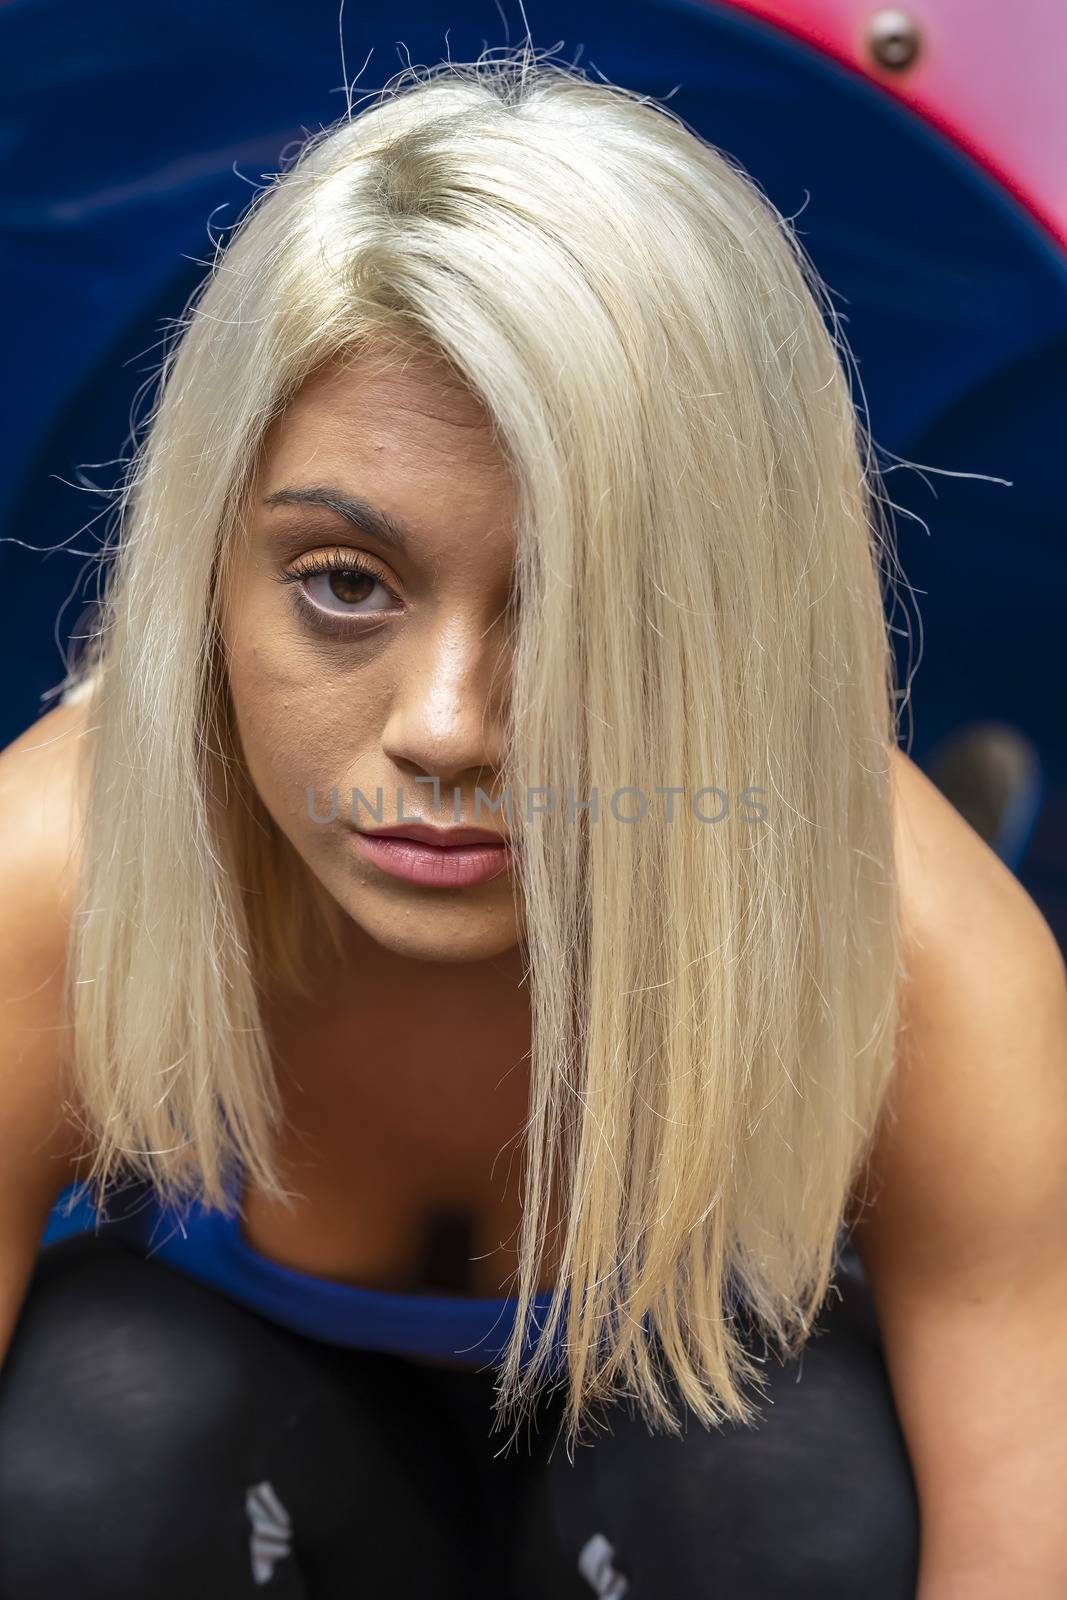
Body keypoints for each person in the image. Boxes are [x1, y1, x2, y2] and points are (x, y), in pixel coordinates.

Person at [1, 46, 1065, 1600]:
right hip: (235, 1498)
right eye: (343, 583)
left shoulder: (915, 946)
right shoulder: (55, 879)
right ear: (200, 583)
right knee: (96, 1460)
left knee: (791, 1513)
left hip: (692, 1505)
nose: (445, 730)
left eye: (590, 608)